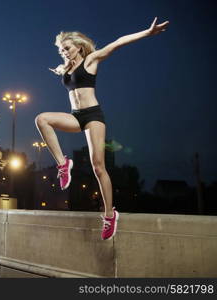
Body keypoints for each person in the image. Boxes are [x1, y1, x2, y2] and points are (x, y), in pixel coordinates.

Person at [35, 17, 169, 240]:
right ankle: (63, 164)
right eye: (61, 50)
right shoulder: (66, 66)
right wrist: (61, 69)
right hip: (75, 116)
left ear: (78, 46)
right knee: (42, 119)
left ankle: (109, 215)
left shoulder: (91, 60)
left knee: (98, 167)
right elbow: (63, 69)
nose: (64, 53)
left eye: (67, 48)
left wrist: (147, 33)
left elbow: (117, 43)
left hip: (93, 116)